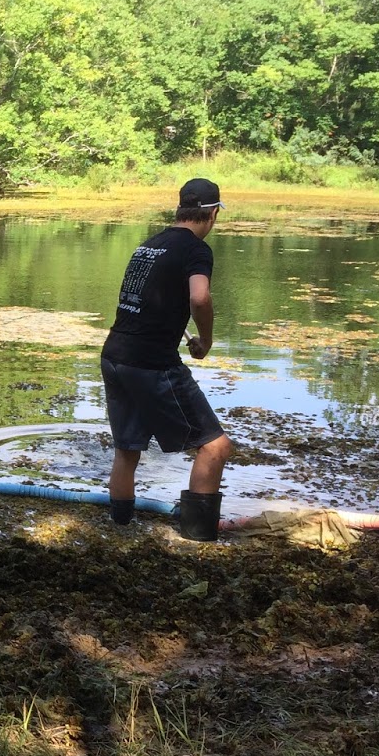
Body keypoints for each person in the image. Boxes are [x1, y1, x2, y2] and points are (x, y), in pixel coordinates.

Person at [99, 177, 234, 541]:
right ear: (213, 214)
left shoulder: (149, 245)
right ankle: (197, 539)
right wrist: (206, 339)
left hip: (115, 355)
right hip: (150, 363)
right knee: (215, 447)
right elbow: (200, 298)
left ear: (180, 208)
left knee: (127, 450)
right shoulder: (196, 250)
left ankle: (119, 530)